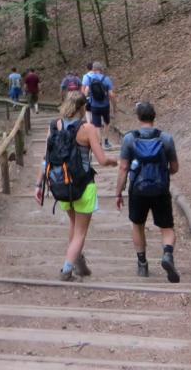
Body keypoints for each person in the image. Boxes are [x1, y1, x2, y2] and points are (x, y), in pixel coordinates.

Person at [36, 92, 118, 281]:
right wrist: (115, 161)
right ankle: (66, 269)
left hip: (61, 185)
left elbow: (45, 157)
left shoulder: (54, 125)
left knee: (74, 225)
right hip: (83, 186)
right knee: (80, 232)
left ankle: (78, 263)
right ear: (83, 107)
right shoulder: (87, 128)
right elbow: (102, 160)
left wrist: (38, 185)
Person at [115, 101, 180, 282]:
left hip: (138, 190)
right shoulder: (165, 138)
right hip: (160, 189)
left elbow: (123, 168)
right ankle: (167, 255)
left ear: (138, 117)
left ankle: (142, 264)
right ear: (154, 116)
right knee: (166, 227)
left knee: (138, 225)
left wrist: (118, 192)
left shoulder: (129, 139)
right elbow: (174, 167)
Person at [82, 61, 116, 149]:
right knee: (106, 122)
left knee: (97, 125)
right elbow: (111, 94)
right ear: (101, 69)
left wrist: (86, 100)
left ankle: (99, 143)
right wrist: (114, 105)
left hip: (94, 105)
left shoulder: (90, 78)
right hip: (105, 105)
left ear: (93, 69)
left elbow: (85, 91)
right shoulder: (106, 79)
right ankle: (106, 142)